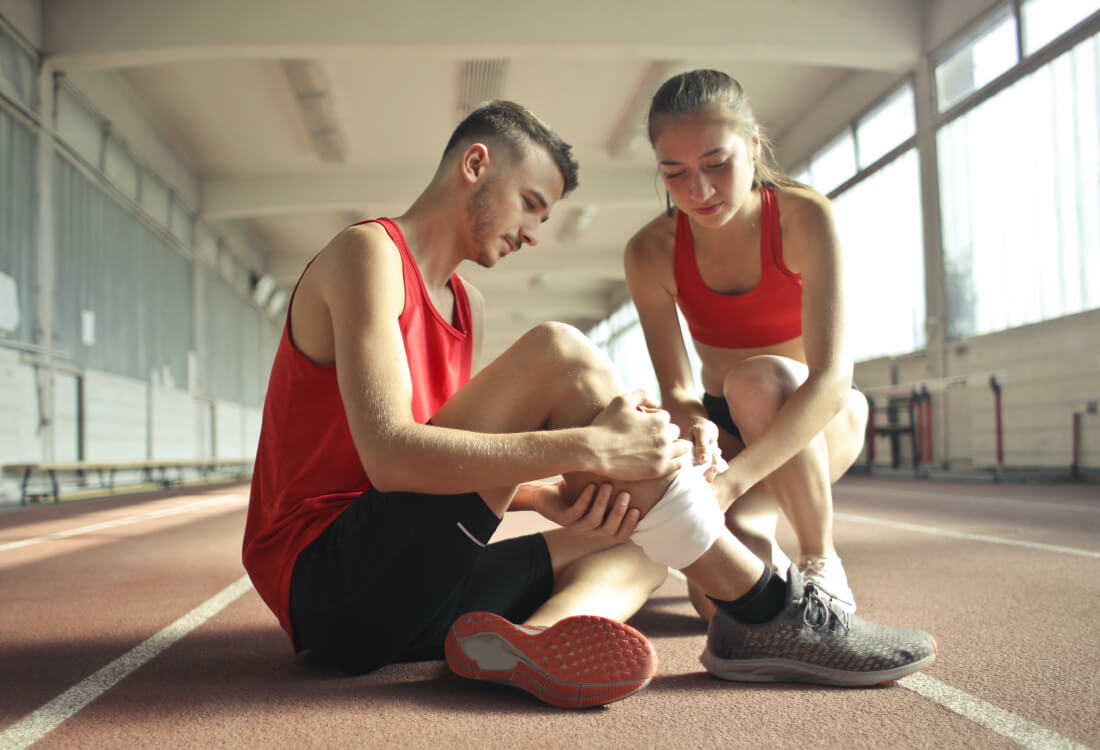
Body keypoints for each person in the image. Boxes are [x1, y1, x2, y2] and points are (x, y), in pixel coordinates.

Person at [243, 100, 935, 712]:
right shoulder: (368, 254)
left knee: (640, 532)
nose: (534, 234)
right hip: (331, 588)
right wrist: (588, 450)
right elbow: (392, 459)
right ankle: (763, 607)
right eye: (531, 204)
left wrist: (548, 494)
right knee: (559, 352)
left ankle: (538, 640)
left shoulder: (467, 306)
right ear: (476, 165)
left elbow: (441, 473)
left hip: (405, 599)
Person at [625, 69, 869, 621]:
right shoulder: (650, 252)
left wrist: (731, 483)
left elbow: (831, 380)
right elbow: (680, 387)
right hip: (728, 428)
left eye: (717, 164)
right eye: (675, 173)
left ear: (754, 146)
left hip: (818, 417)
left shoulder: (806, 218)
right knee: (721, 605)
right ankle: (764, 543)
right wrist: (696, 426)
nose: (699, 190)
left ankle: (820, 559)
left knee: (756, 381)